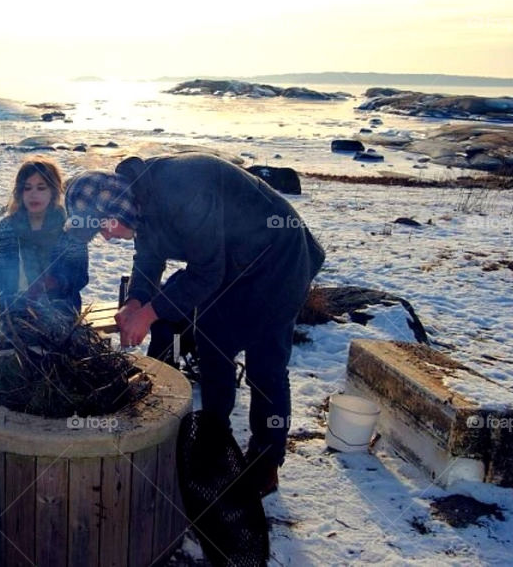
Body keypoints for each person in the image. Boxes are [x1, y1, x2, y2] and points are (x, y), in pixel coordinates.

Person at [64, 153, 325, 496]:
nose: (106, 239)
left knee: (266, 364)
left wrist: (148, 315)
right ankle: (215, 437)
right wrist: (135, 302)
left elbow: (206, 273)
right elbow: (147, 259)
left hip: (279, 258)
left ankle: (266, 459)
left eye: (101, 228)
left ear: (114, 210)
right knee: (212, 343)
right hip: (230, 266)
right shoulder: (140, 199)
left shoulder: (181, 188)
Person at [0, 157, 88, 312]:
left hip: (61, 315)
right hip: (13, 314)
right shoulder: (6, 229)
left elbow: (80, 277)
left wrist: (51, 283)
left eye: (41, 188)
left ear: (54, 191)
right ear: (19, 193)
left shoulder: (70, 229)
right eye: (27, 188)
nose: (33, 194)